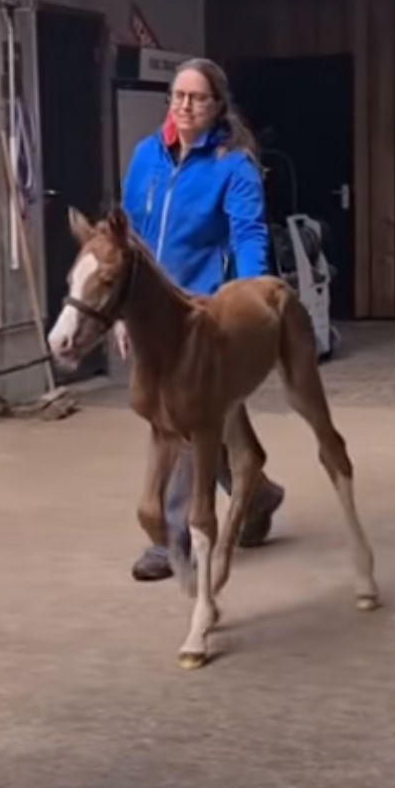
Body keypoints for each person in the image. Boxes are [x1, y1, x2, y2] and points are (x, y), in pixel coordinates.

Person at [117, 58, 286, 583]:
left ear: (217, 107)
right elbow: (127, 235)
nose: (185, 105)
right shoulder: (146, 156)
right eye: (177, 95)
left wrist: (252, 296)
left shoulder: (232, 164)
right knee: (205, 416)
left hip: (198, 314)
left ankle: (172, 540)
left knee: (186, 423)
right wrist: (122, 312)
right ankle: (256, 496)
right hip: (149, 314)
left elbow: (248, 235)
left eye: (197, 98)